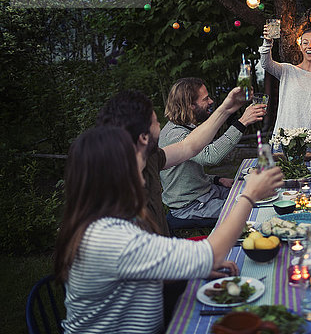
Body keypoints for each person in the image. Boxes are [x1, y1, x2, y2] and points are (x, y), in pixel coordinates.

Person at [54, 126, 283, 334]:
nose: (143, 158)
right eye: (134, 155)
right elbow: (212, 253)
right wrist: (249, 195)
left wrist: (189, 268)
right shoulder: (109, 237)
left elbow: (141, 269)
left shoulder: (108, 219)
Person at [95, 87, 246, 236]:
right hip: (165, 246)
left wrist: (226, 108)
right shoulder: (124, 210)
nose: (161, 125)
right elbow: (209, 155)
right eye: (155, 121)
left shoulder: (153, 158)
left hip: (167, 246)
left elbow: (189, 146)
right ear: (144, 137)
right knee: (246, 205)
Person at [159, 78, 266, 228]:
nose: (211, 101)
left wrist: (217, 179)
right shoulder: (175, 135)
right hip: (190, 206)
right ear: (190, 105)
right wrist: (242, 122)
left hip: (208, 193)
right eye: (205, 99)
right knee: (251, 210)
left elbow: (185, 174)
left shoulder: (186, 127)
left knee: (257, 194)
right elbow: (210, 156)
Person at [259, 26, 311, 138]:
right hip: (284, 141)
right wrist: (267, 42)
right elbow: (265, 63)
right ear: (301, 47)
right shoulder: (288, 71)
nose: (309, 46)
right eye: (305, 43)